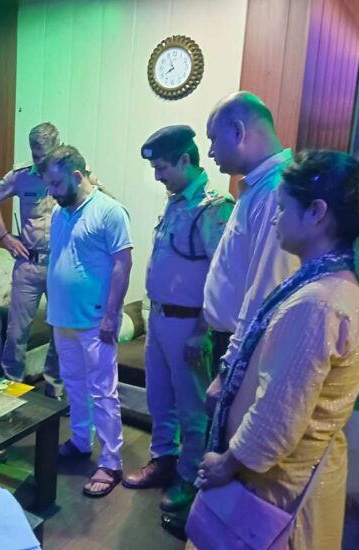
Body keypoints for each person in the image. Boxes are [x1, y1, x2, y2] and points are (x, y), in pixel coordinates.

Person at [192, 150, 359, 549]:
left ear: (317, 212)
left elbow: (277, 418)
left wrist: (226, 464)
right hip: (297, 476)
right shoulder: (336, 285)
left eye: (283, 208)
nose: (275, 219)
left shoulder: (317, 303)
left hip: (278, 491)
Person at [123, 127, 234, 513]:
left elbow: (222, 278)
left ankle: (189, 477)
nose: (157, 176)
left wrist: (201, 331)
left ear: (185, 160)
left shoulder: (213, 207)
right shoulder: (176, 201)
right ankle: (163, 461)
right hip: (159, 318)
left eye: (162, 168)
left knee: (192, 409)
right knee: (160, 399)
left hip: (189, 326)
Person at [44, 144, 133, 498]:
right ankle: (81, 440)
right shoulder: (59, 212)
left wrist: (111, 315)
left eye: (56, 184)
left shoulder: (109, 212)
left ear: (77, 176)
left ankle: (111, 461)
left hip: (96, 321)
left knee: (103, 391)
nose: (51, 192)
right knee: (74, 385)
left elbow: (123, 264)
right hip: (62, 318)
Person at [204, 92, 299, 407]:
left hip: (246, 352)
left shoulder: (274, 191)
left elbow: (265, 293)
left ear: (237, 131)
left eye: (214, 139)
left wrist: (230, 368)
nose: (210, 151)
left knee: (233, 436)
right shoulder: (257, 187)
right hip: (234, 343)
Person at [0, 122, 62, 397]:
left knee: (61, 332)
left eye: (44, 156)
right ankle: (11, 392)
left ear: (58, 147)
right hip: (28, 265)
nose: (39, 162)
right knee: (17, 334)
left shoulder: (71, 173)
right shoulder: (20, 175)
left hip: (60, 266)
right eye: (35, 155)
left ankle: (54, 391)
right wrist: (5, 236)